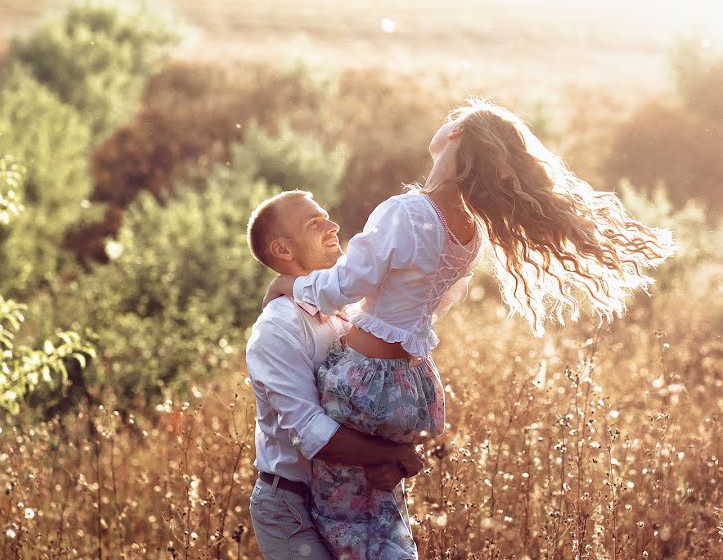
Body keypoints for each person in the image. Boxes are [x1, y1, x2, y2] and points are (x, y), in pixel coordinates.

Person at [262, 99, 676, 559]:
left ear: (455, 138)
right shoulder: (471, 233)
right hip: (413, 387)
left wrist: (293, 283)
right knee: (379, 513)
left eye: (453, 118)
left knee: (342, 520)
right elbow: (435, 302)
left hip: (364, 381)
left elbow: (346, 284)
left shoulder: (405, 212)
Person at [245, 191, 428, 560]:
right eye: (315, 224)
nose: (333, 227)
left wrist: (394, 461)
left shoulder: (354, 311)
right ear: (283, 249)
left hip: (357, 496)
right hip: (292, 507)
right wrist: (394, 455)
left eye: (327, 217)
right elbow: (315, 435)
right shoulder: (277, 329)